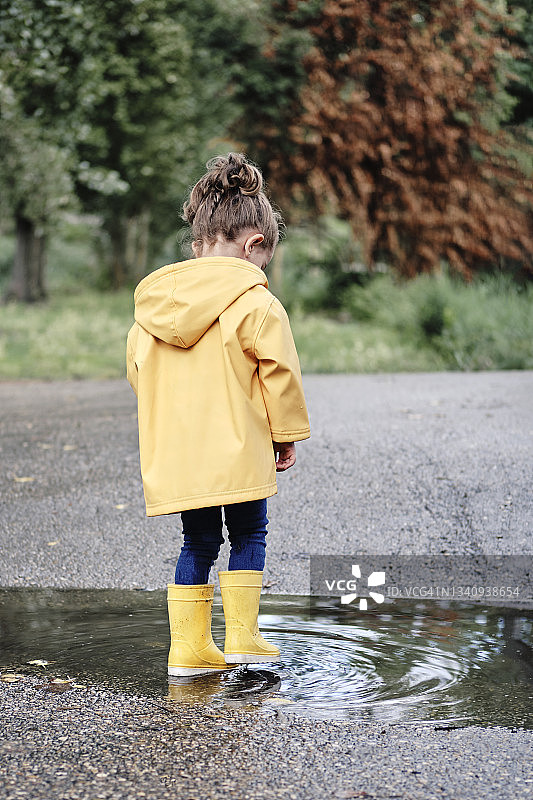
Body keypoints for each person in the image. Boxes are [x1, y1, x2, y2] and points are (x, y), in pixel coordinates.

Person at [126, 153, 310, 678]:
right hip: (240, 452)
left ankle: (188, 651)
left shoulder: (152, 309)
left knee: (197, 541)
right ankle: (245, 640)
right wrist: (287, 435)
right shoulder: (256, 304)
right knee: (249, 534)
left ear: (197, 244)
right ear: (256, 246)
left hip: (183, 455)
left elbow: (140, 372)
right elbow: (280, 375)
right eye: (264, 261)